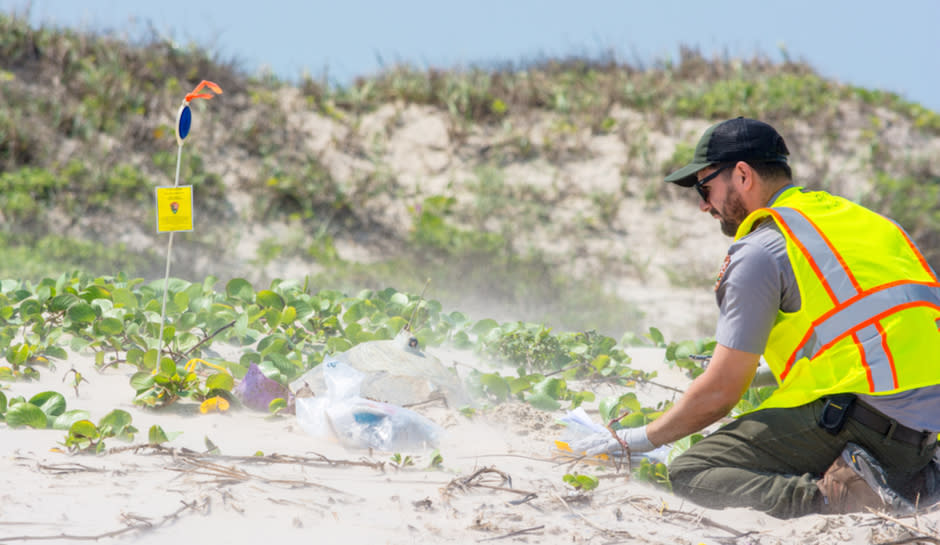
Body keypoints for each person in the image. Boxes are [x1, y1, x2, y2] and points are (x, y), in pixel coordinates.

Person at [571, 117, 940, 518]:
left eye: (704, 187)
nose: (703, 204)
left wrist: (635, 439)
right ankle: (918, 479)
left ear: (742, 175)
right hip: (926, 429)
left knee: (693, 470)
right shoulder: (868, 222)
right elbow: (875, 330)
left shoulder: (762, 246)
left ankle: (837, 496)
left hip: (868, 421)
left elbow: (720, 394)